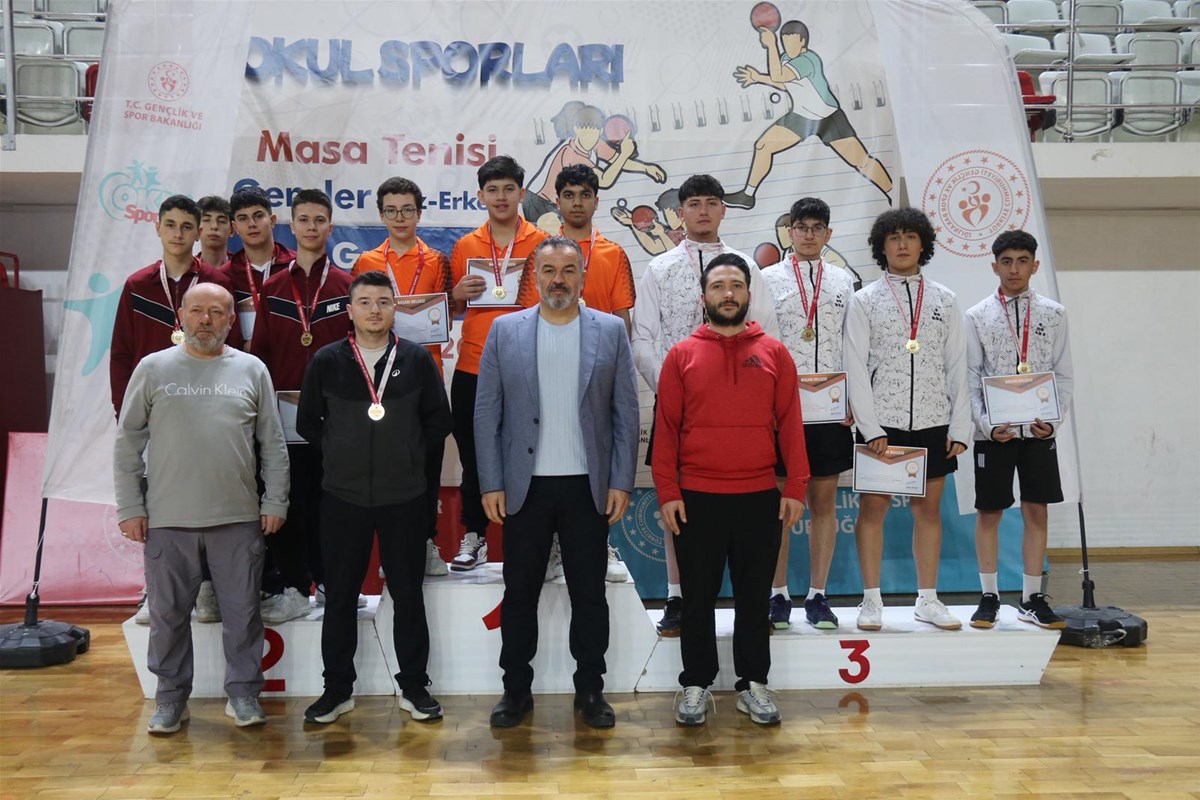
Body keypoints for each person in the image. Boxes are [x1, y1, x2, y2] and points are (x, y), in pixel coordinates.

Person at [474, 237, 640, 729]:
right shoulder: (505, 330)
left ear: (583, 276)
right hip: (524, 488)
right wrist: (491, 481)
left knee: (589, 595)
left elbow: (626, 413)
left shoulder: (610, 330)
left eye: (568, 270)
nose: (558, 280)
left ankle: (590, 689)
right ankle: (515, 690)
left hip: (588, 487)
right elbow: (486, 412)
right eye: (548, 270)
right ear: (535, 276)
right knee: (519, 593)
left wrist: (621, 481)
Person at [114, 283, 289, 734]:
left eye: (216, 312)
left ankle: (244, 693)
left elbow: (273, 444)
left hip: (238, 518)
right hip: (168, 519)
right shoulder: (152, 368)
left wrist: (275, 500)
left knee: (243, 614)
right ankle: (171, 699)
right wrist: (130, 506)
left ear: (231, 320)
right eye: (196, 311)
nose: (205, 320)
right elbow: (127, 443)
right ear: (181, 315)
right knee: (168, 618)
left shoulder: (252, 370)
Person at [652, 254, 809, 727]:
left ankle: (753, 684)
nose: (727, 293)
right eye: (718, 286)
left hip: (758, 496)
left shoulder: (775, 353)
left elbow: (790, 423)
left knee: (754, 599)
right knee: (696, 599)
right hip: (696, 498)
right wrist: (668, 491)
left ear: (748, 294)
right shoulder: (681, 355)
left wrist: (795, 485)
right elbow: (666, 429)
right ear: (704, 296)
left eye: (736, 285)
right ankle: (695, 685)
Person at [296, 271, 453, 724]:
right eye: (364, 302)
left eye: (383, 302)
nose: (374, 310)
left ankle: (415, 687)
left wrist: (405, 458)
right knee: (341, 596)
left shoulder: (416, 359)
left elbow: (438, 422)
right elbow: (308, 423)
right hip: (342, 498)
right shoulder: (327, 360)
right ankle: (337, 690)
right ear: (349, 311)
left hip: (404, 498)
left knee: (408, 595)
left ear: (394, 308)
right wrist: (343, 454)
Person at [631, 173, 780, 636]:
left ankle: (753, 602)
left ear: (723, 210)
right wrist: (675, 390)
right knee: (677, 502)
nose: (702, 211)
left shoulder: (745, 267)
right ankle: (678, 597)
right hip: (679, 409)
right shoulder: (659, 268)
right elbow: (643, 339)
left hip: (741, 412)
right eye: (693, 203)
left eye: (711, 202)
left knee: (744, 512)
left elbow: (768, 335)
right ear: (680, 212)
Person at [843, 208, 971, 631]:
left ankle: (927, 599)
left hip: (934, 420)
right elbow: (855, 364)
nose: (902, 244)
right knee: (873, 510)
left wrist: (959, 427)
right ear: (881, 246)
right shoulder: (864, 300)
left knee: (928, 512)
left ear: (923, 245)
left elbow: (958, 364)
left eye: (910, 237)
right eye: (894, 237)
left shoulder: (945, 299)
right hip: (884, 422)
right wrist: (870, 427)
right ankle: (871, 599)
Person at [251, 189, 352, 623]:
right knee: (288, 503)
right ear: (291, 226)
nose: (311, 227)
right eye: (304, 220)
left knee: (332, 503)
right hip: (282, 417)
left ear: (330, 227)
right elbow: (260, 355)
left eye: (319, 220)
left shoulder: (347, 286)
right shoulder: (273, 287)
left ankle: (331, 582)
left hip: (336, 418)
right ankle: (294, 586)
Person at [964, 230, 1073, 630]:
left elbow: (1063, 374)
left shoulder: (1054, 313)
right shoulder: (977, 315)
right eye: (1007, 262)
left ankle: (1031, 597)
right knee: (989, 511)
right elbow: (971, 376)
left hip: (1038, 433)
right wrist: (986, 425)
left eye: (1022, 261)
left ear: (1034, 265)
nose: (1014, 269)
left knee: (1036, 509)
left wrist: (1053, 423)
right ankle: (989, 595)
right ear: (995, 266)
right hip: (995, 434)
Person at [760, 198, 856, 630]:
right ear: (790, 231)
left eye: (818, 227)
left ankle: (818, 594)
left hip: (830, 411)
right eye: (802, 227)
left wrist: (853, 399)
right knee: (780, 505)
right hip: (782, 411)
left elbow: (853, 343)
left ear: (828, 234)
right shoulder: (766, 279)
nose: (810, 235)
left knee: (823, 504)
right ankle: (777, 593)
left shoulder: (844, 281)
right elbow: (761, 343)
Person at [447, 155, 546, 572]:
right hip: (473, 366)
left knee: (531, 455)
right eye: (492, 190)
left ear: (521, 193)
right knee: (475, 455)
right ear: (480, 196)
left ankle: (538, 540)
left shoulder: (543, 242)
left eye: (508, 189)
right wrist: (456, 295)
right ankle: (474, 535)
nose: (501, 197)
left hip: (529, 366)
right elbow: (453, 311)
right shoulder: (465, 246)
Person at [352, 177, 455, 578]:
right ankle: (388, 551)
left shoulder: (437, 261)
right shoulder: (366, 261)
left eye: (407, 210)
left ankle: (426, 541)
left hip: (423, 374)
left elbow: (446, 316)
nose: (400, 218)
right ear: (381, 215)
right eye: (392, 210)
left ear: (419, 213)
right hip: (376, 379)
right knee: (383, 465)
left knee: (425, 461)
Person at [554, 163, 638, 582]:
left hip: (598, 372)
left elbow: (622, 317)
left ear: (596, 201)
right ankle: (553, 547)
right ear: (557, 201)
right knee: (551, 458)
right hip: (552, 367)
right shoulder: (543, 252)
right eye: (569, 195)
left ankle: (600, 542)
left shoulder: (613, 253)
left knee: (597, 456)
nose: (577, 203)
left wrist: (617, 370)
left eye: (585, 195)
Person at [726, 19, 892, 208]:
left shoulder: (808, 60)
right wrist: (758, 78)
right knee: (763, 146)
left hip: (827, 118)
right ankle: (747, 195)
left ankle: (891, 193)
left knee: (861, 162)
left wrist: (771, 46)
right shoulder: (785, 58)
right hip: (801, 117)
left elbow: (780, 75)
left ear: (803, 42)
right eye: (784, 42)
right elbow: (784, 83)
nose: (788, 47)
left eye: (792, 42)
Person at [110, 194, 241, 418]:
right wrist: (124, 411)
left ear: (198, 233)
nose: (178, 234)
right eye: (170, 225)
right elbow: (122, 353)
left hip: (208, 402)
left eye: (186, 227)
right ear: (158, 228)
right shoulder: (138, 285)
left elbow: (232, 347)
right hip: (152, 403)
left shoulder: (218, 283)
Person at [221, 186, 296, 351]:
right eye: (243, 218)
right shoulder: (224, 277)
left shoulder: (295, 267)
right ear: (234, 227)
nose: (252, 224)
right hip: (242, 362)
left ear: (272, 220)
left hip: (289, 358)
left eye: (258, 216)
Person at [197, 195, 233, 268]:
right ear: (196, 228)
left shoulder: (244, 270)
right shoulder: (186, 270)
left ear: (232, 230)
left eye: (222, 221)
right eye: (206, 220)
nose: (214, 226)